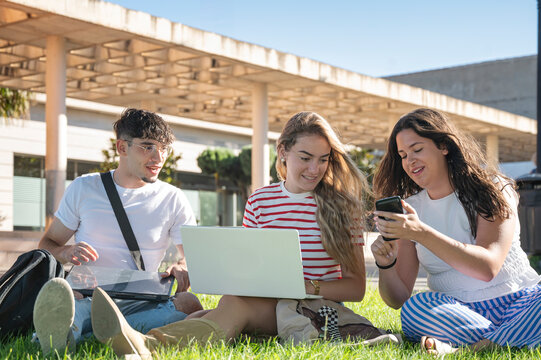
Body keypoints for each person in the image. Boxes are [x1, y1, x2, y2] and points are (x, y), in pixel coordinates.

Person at [88, 111, 371, 358]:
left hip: (315, 310)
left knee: (231, 308)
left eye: (323, 160)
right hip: (267, 304)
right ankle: (138, 340)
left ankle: (146, 344)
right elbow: (249, 266)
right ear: (283, 151)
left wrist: (307, 287)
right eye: (306, 158)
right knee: (221, 307)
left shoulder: (343, 206)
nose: (315, 169)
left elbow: (356, 288)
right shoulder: (260, 201)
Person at [371, 108, 541, 356]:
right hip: (458, 311)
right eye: (403, 155)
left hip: (520, 302)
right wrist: (385, 264)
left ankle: (469, 348)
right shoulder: (412, 208)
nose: (409, 161)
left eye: (417, 150)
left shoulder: (492, 189)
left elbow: (487, 268)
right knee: (414, 308)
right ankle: (512, 336)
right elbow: (398, 298)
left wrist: (421, 232)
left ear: (444, 146)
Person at [33, 108, 203, 354]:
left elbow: (191, 255)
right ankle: (84, 330)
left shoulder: (173, 198)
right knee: (72, 303)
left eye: (164, 148)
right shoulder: (84, 188)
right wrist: (66, 251)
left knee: (189, 303)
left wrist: (182, 266)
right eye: (147, 147)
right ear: (122, 148)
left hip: (143, 298)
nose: (158, 157)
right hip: (88, 295)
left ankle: (84, 331)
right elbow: (47, 243)